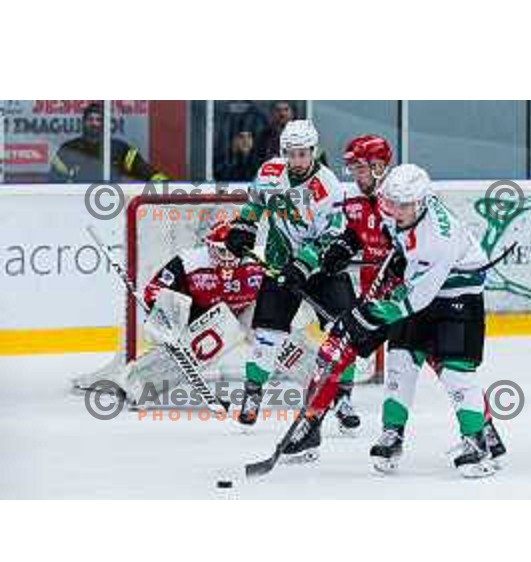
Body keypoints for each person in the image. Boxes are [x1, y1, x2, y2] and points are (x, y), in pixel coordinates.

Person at [281, 164, 507, 478]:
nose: (394, 211)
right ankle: (393, 434)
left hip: (457, 294)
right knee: (400, 360)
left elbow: (413, 301)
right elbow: (386, 237)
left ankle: (478, 442)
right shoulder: (399, 208)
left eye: (404, 205)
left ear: (423, 202)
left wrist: (366, 315)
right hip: (419, 286)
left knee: (456, 371)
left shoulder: (436, 240)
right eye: (391, 204)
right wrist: (347, 246)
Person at [225, 119, 361, 433]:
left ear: (313, 151)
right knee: (268, 332)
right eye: (291, 153)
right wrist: (242, 228)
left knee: (345, 329)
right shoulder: (270, 173)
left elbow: (331, 235)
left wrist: (303, 265)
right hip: (278, 263)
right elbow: (254, 205)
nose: (297, 160)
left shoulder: (327, 185)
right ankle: (253, 394)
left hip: (323, 268)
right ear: (283, 151)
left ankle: (342, 398)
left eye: (303, 153)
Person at [122, 221, 265, 405]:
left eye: (232, 251)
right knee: (207, 339)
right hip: (206, 318)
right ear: (209, 247)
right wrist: (169, 318)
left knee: (276, 327)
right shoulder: (189, 262)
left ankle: (311, 378)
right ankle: (138, 385)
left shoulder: (259, 261)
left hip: (248, 309)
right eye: (221, 251)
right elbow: (153, 290)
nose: (227, 257)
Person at [49, 102, 168, 183]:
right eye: (90, 119)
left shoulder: (120, 149)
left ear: (105, 123)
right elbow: (54, 181)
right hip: (78, 206)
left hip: (112, 204)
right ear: (83, 123)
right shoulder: (68, 149)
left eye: (98, 120)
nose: (94, 123)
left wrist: (168, 186)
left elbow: (145, 170)